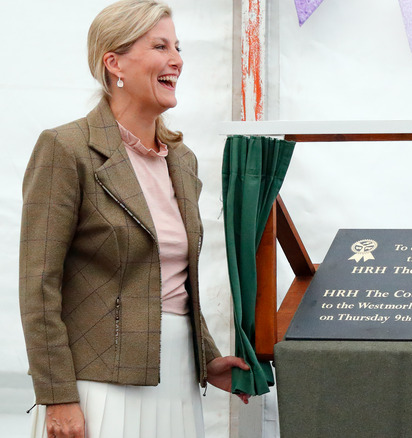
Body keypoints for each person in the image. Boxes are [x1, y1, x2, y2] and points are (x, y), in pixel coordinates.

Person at [19, 1, 250, 437]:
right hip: (96, 387)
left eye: (177, 47)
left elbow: (170, 282)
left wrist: (208, 357)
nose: (177, 59)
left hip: (178, 380)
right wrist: (58, 396)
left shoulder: (182, 160)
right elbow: (39, 286)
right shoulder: (66, 148)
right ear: (114, 63)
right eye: (160, 46)